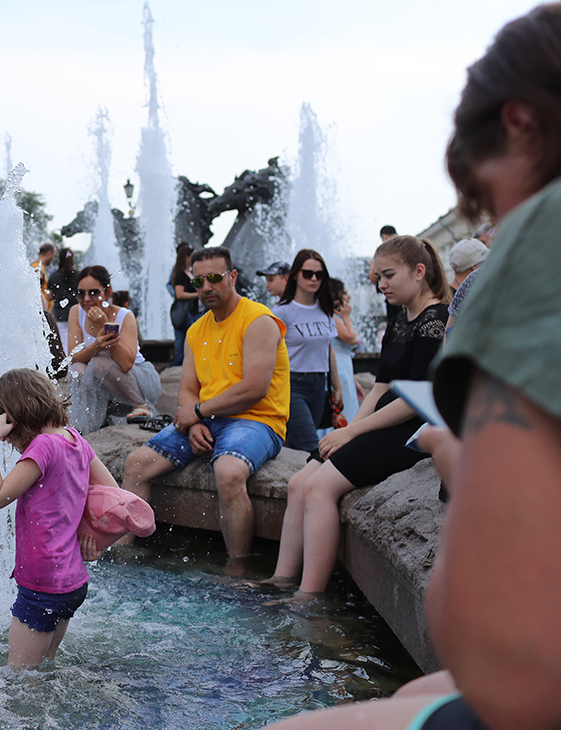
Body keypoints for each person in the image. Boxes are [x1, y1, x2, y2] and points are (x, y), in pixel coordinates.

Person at [266, 6, 561, 727]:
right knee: (413, 696)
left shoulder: (542, 243)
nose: (494, 224)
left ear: (520, 124)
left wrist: (453, 451)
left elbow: (514, 664)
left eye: (489, 198)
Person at [264, 236, 448, 597]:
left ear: (419, 272)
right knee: (298, 483)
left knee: (319, 487)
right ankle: (280, 580)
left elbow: (414, 401)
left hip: (411, 429)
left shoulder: (435, 320)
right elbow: (380, 388)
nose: (381, 285)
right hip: (383, 423)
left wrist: (351, 434)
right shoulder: (398, 318)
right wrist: (349, 428)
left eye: (389, 275)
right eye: (378, 277)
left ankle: (308, 595)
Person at [122, 247, 289, 558]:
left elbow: (254, 388)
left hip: (258, 420)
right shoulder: (197, 329)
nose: (206, 287)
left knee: (228, 471)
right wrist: (195, 421)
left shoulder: (259, 320)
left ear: (232, 277)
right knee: (136, 464)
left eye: (214, 278)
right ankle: (124, 556)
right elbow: (188, 388)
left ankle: (237, 569)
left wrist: (197, 412)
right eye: (199, 281)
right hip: (208, 418)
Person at [0, 368, 113, 668]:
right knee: (44, 670)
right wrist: (93, 539)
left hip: (42, 584)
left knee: (19, 681)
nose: (5, 439)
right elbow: (111, 492)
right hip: (72, 581)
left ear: (13, 419)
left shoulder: (44, 446)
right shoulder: (74, 439)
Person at [66, 265, 161, 433]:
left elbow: (126, 363)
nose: (86, 299)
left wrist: (104, 326)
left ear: (108, 293)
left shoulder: (125, 315)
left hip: (136, 381)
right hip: (100, 381)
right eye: (81, 293)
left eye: (94, 292)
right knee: (78, 370)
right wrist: (96, 346)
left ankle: (140, 405)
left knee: (100, 363)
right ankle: (86, 424)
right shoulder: (76, 312)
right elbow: (73, 357)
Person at [272, 250, 341, 455]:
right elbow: (269, 352)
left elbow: (329, 349)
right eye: (307, 273)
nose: (313, 279)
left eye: (319, 274)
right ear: (294, 275)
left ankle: (285, 486)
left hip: (319, 384)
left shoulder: (325, 309)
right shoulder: (281, 311)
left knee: (294, 444)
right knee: (312, 445)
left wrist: (338, 386)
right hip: (292, 386)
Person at [316, 278, 362, 437]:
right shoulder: (332, 315)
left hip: (345, 369)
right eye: (345, 293)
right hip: (340, 370)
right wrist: (347, 317)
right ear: (336, 295)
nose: (348, 297)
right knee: (345, 411)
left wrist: (354, 380)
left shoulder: (333, 315)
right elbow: (352, 338)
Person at [170, 243, 202, 367]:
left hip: (193, 313)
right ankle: (175, 367)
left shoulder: (190, 273)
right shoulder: (180, 274)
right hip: (184, 314)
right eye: (192, 255)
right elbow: (179, 294)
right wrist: (197, 294)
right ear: (187, 257)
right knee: (184, 342)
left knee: (191, 341)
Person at [31, 242, 55, 312]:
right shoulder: (37, 267)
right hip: (40, 311)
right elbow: (33, 287)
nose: (53, 259)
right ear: (49, 253)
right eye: (53, 256)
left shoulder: (39, 266)